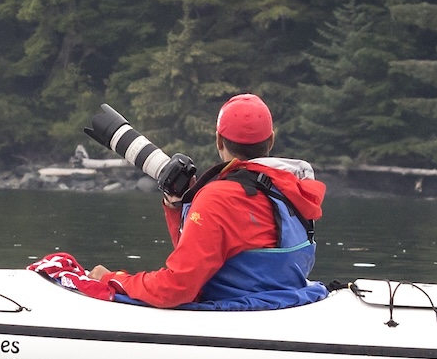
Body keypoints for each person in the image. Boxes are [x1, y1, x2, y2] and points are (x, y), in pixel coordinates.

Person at [48, 93, 328, 310]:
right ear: (272, 140)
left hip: (242, 311)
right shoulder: (294, 188)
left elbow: (177, 287)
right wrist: (179, 207)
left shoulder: (217, 198)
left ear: (219, 140)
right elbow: (200, 263)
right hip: (286, 302)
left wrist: (113, 279)